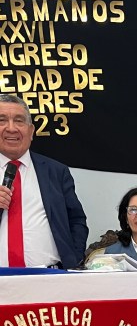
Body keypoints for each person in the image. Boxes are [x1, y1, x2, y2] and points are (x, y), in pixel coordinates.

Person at [0, 94, 88, 269]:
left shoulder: (56, 172)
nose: (11, 128)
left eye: (19, 121)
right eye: (2, 120)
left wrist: (73, 259)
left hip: (50, 277)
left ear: (31, 131)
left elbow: (76, 220)